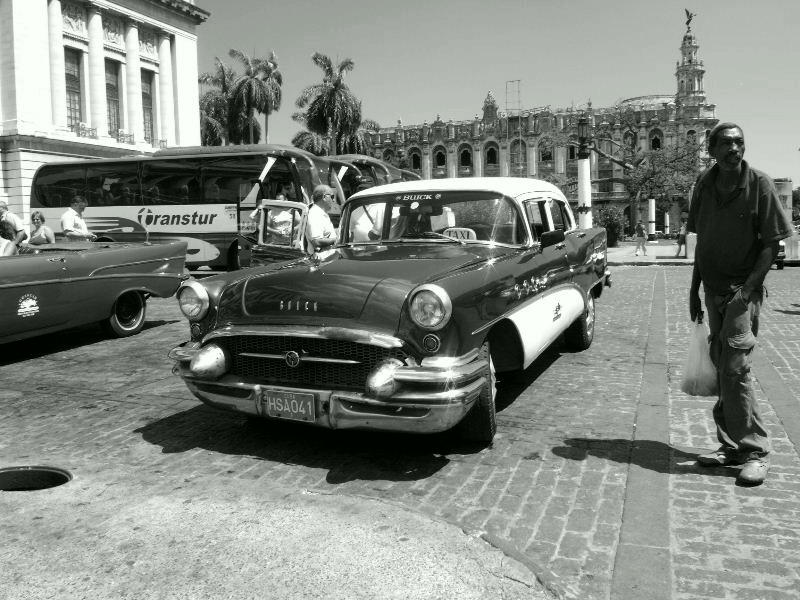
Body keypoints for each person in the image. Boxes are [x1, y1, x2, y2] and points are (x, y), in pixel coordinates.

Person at [688, 122, 793, 486]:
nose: (735, 149)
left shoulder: (760, 184)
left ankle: (755, 450)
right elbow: (702, 242)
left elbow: (772, 244)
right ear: (712, 149)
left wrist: (746, 293)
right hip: (712, 290)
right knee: (723, 368)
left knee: (736, 369)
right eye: (727, 143)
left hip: (740, 294)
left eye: (740, 142)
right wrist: (694, 289)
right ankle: (732, 445)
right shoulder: (704, 184)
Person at [305, 184, 337, 254]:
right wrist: (337, 240)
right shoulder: (315, 214)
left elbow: (325, 232)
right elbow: (316, 241)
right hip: (321, 258)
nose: (334, 200)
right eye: (332, 197)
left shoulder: (320, 213)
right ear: (324, 197)